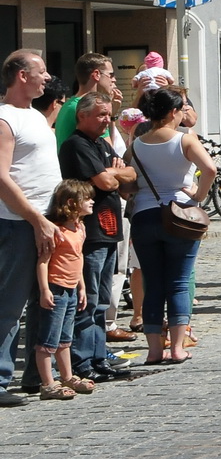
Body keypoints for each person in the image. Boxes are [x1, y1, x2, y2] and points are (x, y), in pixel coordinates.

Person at [128, 87, 217, 364]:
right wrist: (199, 195)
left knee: (153, 283)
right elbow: (211, 170)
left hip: (144, 215)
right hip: (179, 215)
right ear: (172, 113)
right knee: (178, 282)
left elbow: (131, 181)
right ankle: (177, 348)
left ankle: (154, 350)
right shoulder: (184, 140)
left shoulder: (137, 143)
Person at [56, 95, 133, 382]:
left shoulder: (101, 143)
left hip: (109, 230)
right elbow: (107, 182)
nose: (107, 120)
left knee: (102, 299)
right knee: (86, 300)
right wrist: (112, 173)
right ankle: (82, 360)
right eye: (101, 115)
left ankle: (99, 356)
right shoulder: (76, 144)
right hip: (89, 233)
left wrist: (112, 171)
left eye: (110, 115)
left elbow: (130, 175)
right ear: (83, 116)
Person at [0, 51, 61, 405]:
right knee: (10, 303)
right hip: (19, 223)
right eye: (41, 71)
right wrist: (35, 218)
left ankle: (38, 375)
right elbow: (2, 176)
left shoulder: (35, 116)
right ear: (22, 76)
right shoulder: (6, 118)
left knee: (46, 300)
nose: (47, 76)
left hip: (46, 219)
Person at [31, 181, 94, 400]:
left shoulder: (80, 228)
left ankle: (67, 375)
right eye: (87, 199)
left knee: (65, 338)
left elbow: (79, 257)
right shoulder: (57, 231)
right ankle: (48, 383)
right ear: (71, 203)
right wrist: (44, 289)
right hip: (56, 288)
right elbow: (43, 261)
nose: (92, 201)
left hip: (71, 289)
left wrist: (82, 286)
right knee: (48, 340)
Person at [54, 53, 117, 146]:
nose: (114, 80)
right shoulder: (86, 107)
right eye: (110, 75)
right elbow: (108, 151)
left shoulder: (71, 104)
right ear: (96, 75)